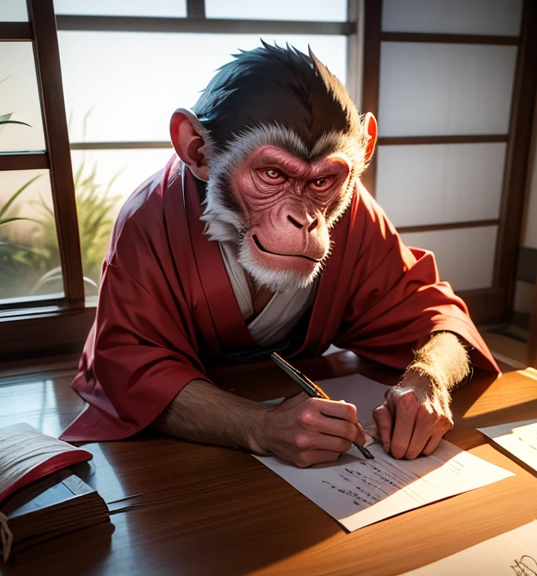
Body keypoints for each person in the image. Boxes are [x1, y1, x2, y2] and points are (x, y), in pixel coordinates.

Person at [60, 44, 499, 468]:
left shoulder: (350, 208)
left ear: (362, 152)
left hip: (297, 386)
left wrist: (429, 379)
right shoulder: (149, 216)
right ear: (197, 148)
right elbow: (131, 366)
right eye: (273, 173)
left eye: (322, 182)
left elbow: (440, 316)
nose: (305, 218)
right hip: (193, 433)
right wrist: (260, 426)